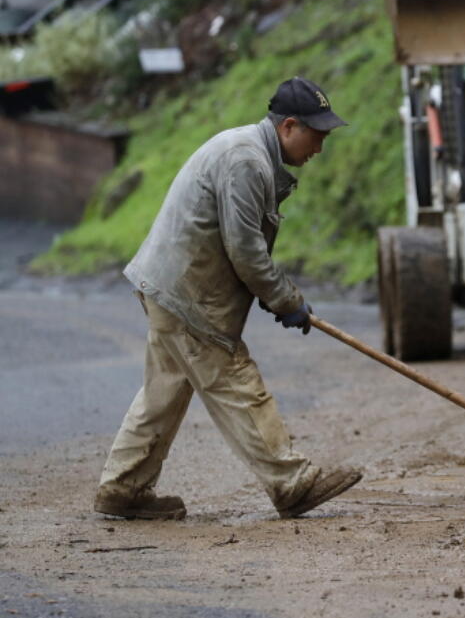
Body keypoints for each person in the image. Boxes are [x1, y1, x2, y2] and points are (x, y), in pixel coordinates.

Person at [93, 76, 362, 521]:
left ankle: (123, 487)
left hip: (170, 287)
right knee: (236, 380)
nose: (319, 148)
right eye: (317, 136)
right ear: (289, 127)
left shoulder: (249, 152)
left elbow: (243, 246)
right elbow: (245, 249)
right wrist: (284, 298)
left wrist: (279, 297)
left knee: (164, 392)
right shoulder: (246, 161)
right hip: (187, 295)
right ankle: (290, 481)